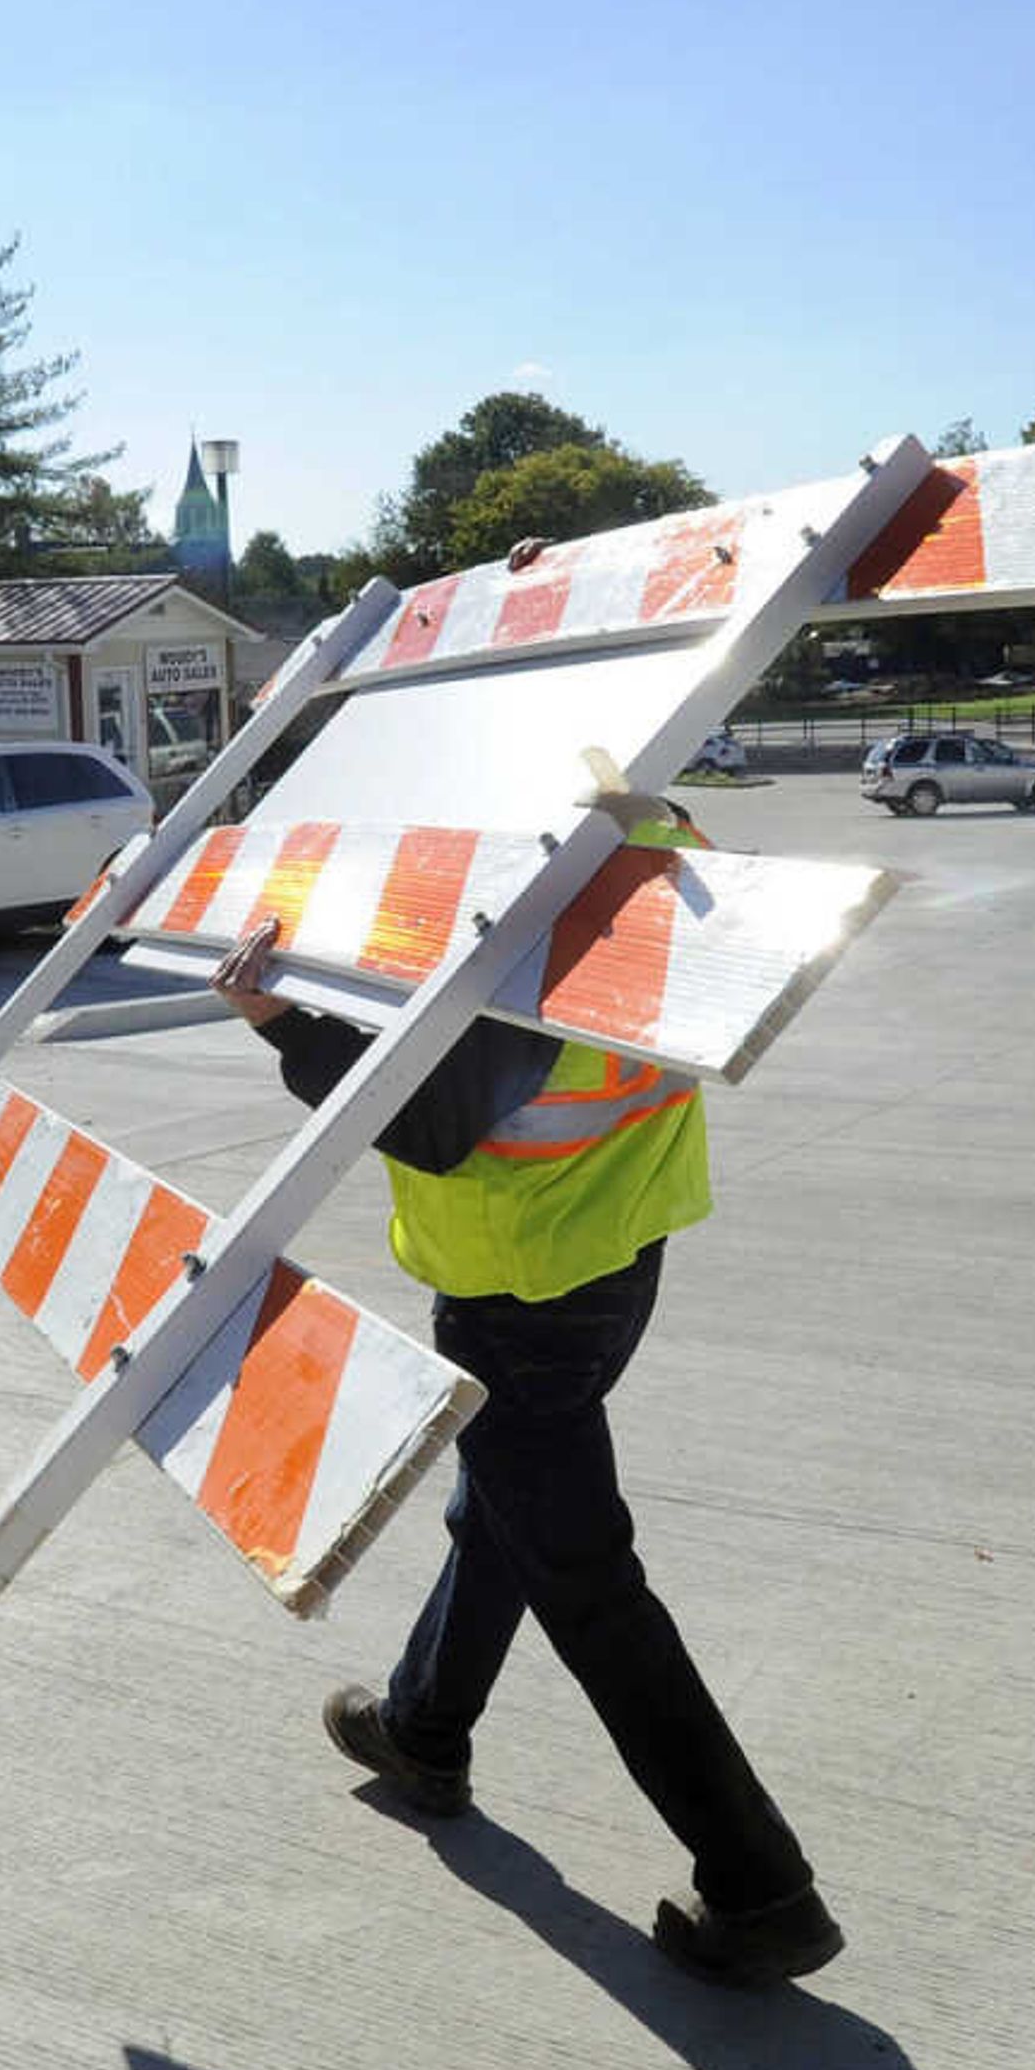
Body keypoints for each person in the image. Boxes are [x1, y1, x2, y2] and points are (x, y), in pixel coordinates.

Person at [208, 835, 839, 1989]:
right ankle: (425, 1730)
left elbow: (438, 1120)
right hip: (621, 1252)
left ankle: (763, 1887)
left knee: (587, 1583)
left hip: (520, 1288)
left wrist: (282, 1026)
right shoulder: (659, 841)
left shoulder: (516, 888)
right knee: (498, 1510)